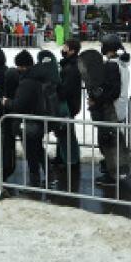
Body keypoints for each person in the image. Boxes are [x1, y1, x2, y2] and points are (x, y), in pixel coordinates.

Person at [3, 50, 59, 187]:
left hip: (29, 122)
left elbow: (19, 105)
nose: (17, 69)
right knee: (38, 149)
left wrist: (6, 102)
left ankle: (34, 181)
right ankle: (50, 176)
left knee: (31, 152)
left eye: (18, 66)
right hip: (38, 120)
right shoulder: (39, 76)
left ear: (23, 66)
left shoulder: (27, 82)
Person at [89, 36, 131, 187]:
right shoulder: (121, 64)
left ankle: (113, 175)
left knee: (108, 143)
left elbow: (112, 91)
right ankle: (121, 168)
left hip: (111, 110)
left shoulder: (112, 66)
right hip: (118, 108)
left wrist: (96, 100)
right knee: (115, 141)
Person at [55, 39, 83, 167]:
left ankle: (72, 160)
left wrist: (57, 90)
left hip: (68, 104)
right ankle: (61, 156)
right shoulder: (68, 64)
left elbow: (66, 89)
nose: (63, 49)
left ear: (72, 50)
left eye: (65, 47)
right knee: (62, 131)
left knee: (67, 133)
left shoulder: (72, 67)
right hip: (68, 103)